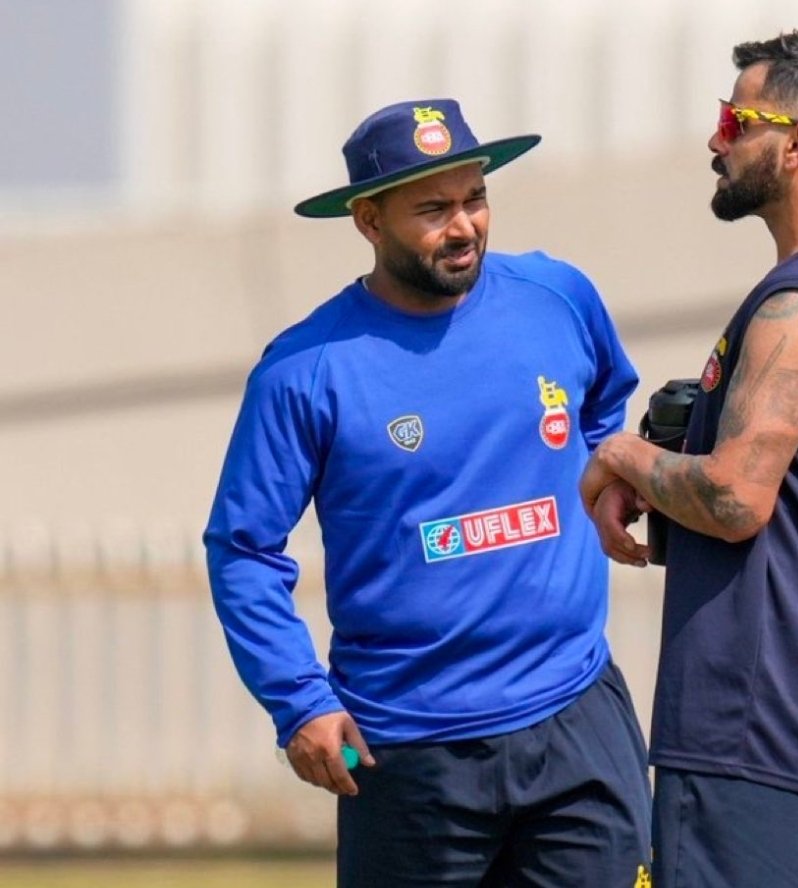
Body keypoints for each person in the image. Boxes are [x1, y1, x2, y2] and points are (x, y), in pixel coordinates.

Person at [203, 98, 652, 887]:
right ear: (368, 221)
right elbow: (243, 549)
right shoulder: (305, 369)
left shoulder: (559, 297)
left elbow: (601, 412)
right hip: (409, 749)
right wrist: (300, 703)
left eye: (475, 197)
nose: (464, 226)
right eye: (433, 209)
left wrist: (608, 476)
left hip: (576, 716)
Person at [579, 29, 798, 888]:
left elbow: (738, 497)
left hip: (751, 735)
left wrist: (622, 457)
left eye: (736, 119)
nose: (716, 140)